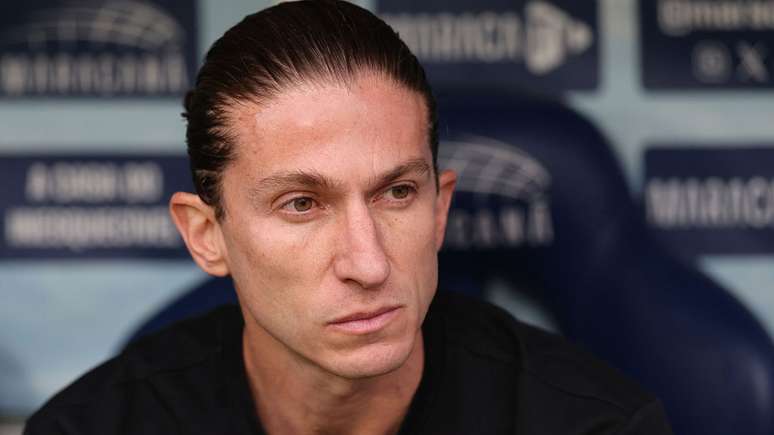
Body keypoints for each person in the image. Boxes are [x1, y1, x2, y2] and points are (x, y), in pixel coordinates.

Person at [25, 1, 673, 434]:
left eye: (397, 192)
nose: (368, 263)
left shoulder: (594, 426)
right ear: (206, 235)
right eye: (301, 204)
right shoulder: (95, 427)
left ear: (440, 209)